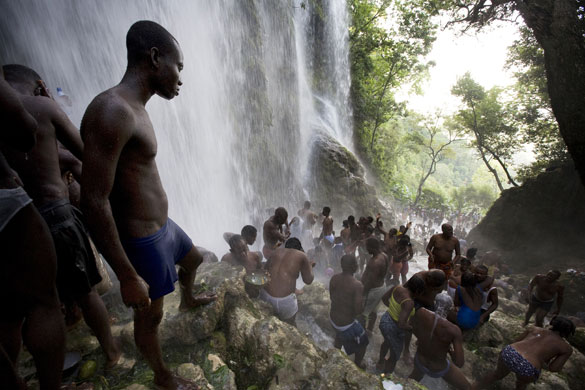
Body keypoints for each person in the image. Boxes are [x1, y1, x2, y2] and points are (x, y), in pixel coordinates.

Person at [80, 21, 216, 390]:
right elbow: (92, 200)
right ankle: (163, 378)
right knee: (150, 315)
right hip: (142, 239)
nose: (181, 78)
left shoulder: (135, 107)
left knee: (194, 260)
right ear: (155, 58)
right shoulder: (113, 111)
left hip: (163, 226)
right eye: (179, 67)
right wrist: (126, 275)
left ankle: (187, 299)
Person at [2, 64, 121, 368]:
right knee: (85, 291)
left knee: (23, 309)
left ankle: (16, 373)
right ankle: (112, 353)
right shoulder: (41, 107)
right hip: (56, 215)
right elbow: (84, 151)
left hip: (17, 220)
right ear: (40, 85)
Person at [0, 69, 65, 390]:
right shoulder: (44, 108)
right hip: (7, 200)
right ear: (40, 86)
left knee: (7, 309)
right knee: (43, 301)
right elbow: (23, 127)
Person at [472, 316, 574, 390]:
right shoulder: (566, 348)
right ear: (568, 333)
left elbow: (515, 341)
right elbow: (554, 368)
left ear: (553, 323)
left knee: (496, 375)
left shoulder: (534, 329)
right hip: (528, 366)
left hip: (510, 352)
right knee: (521, 385)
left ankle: (473, 388)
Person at [409, 307, 471, 390]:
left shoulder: (421, 312)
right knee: (467, 387)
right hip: (438, 368)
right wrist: (451, 352)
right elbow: (459, 363)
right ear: (448, 310)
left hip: (420, 361)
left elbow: (410, 328)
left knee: (411, 380)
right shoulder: (454, 330)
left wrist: (422, 338)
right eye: (454, 309)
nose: (456, 310)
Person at [260, 238, 314, 326]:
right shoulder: (301, 255)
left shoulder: (276, 252)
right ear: (299, 249)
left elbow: (265, 271)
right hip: (284, 302)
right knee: (290, 325)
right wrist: (310, 266)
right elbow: (308, 280)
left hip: (265, 296)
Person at [377, 276, 424, 374]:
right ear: (417, 291)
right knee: (394, 355)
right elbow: (401, 324)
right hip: (393, 328)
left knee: (387, 342)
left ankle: (380, 362)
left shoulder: (397, 287)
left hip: (385, 320)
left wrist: (393, 309)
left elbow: (384, 298)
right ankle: (385, 375)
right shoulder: (409, 302)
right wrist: (413, 328)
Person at [329, 254, 368, 368]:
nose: (357, 265)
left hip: (333, 318)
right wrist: (363, 302)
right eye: (356, 264)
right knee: (363, 343)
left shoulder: (334, 278)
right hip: (345, 324)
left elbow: (332, 297)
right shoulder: (357, 285)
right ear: (353, 267)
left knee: (339, 334)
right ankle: (358, 363)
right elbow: (358, 311)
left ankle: (336, 349)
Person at [360, 237, 389, 333]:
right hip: (381, 286)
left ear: (372, 248)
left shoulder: (375, 262)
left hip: (373, 290)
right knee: (373, 311)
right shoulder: (384, 255)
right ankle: (370, 329)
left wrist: (363, 292)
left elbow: (370, 281)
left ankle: (362, 333)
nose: (366, 249)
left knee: (363, 313)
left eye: (367, 247)